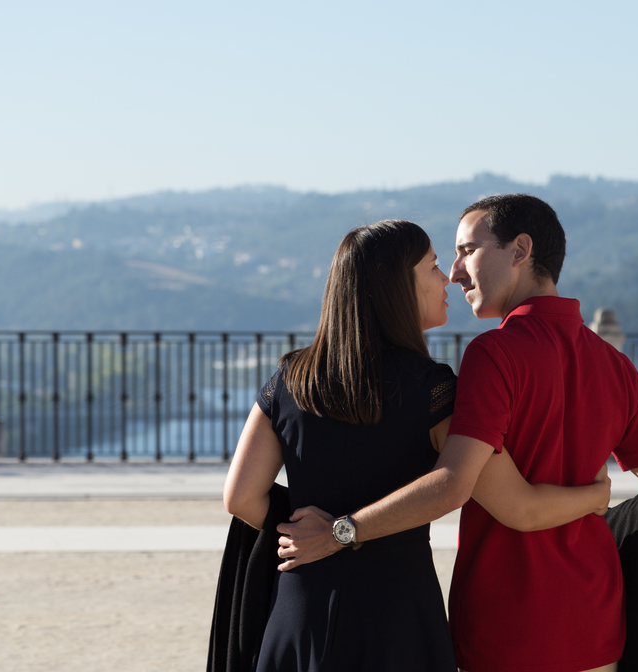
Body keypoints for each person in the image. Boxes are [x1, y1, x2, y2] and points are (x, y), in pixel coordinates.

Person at [277, 195, 638, 672]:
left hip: (506, 629)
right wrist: (598, 518)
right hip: (598, 626)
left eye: (467, 250)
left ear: (520, 251)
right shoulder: (617, 366)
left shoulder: (494, 355)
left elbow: (461, 484)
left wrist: (338, 532)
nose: (454, 272)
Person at [222, 219, 611, 672]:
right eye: (431, 267)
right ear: (395, 287)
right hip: (396, 614)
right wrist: (596, 496)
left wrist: (315, 527)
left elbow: (242, 497)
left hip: (300, 610)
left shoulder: (290, 378)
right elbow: (501, 500)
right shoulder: (433, 389)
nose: (447, 277)